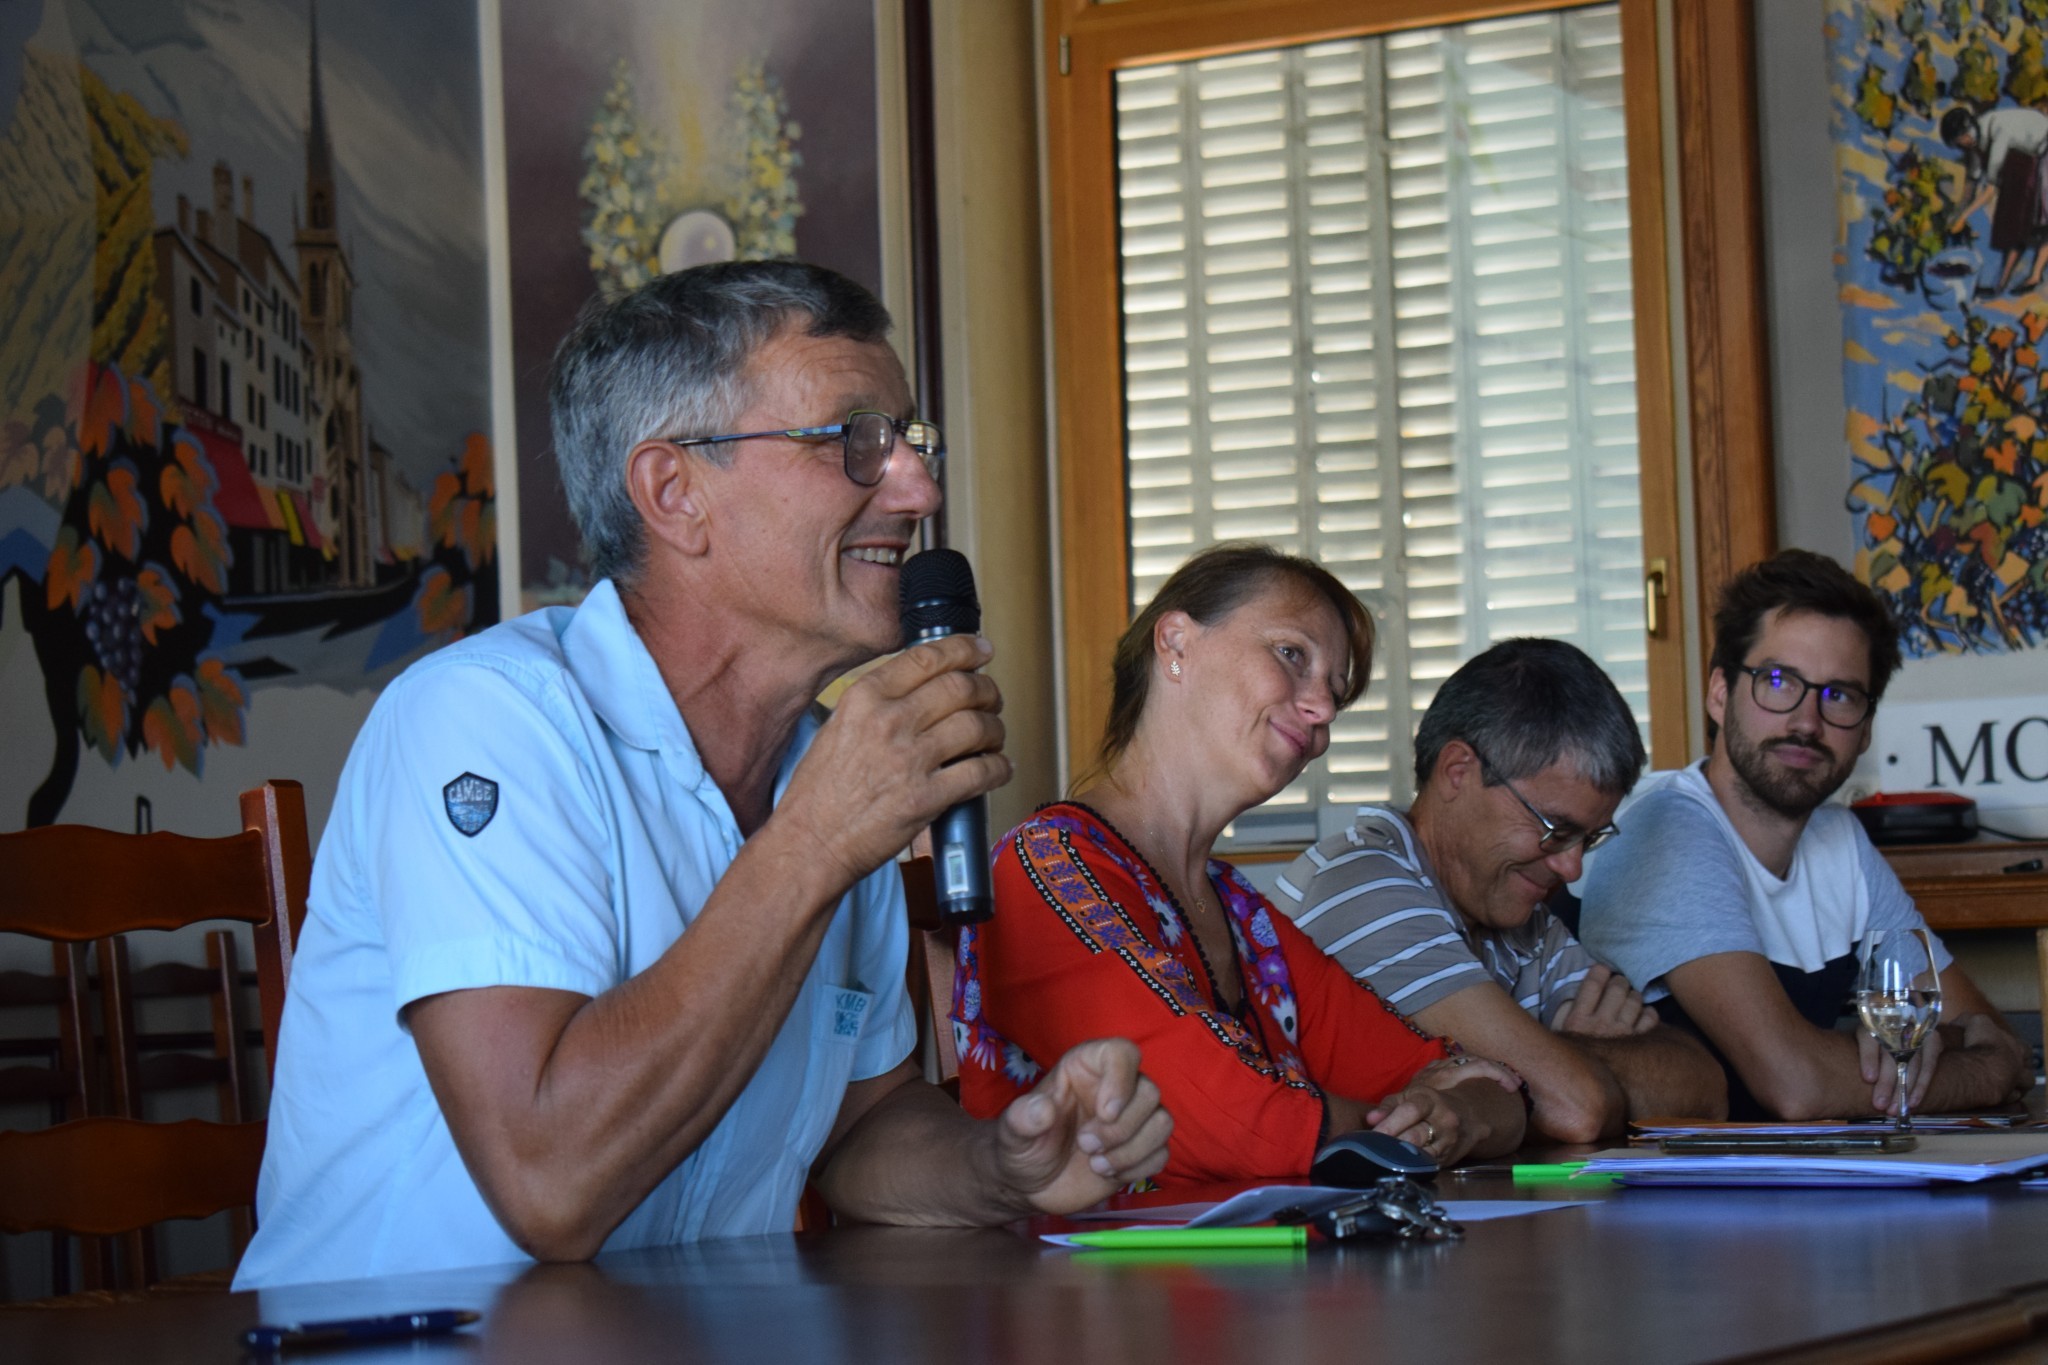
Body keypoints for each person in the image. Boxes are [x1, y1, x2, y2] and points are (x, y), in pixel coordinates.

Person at [235, 262, 1172, 1289]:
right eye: (853, 440)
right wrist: (814, 843)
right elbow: (552, 1185)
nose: (916, 489)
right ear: (673, 493)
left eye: (909, 441)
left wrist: (1005, 1164)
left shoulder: (828, 766)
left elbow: (861, 1129)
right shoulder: (482, 721)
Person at [953, 544, 1526, 1183]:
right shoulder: (1044, 869)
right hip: (1089, 1278)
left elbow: (1490, 1089)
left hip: (1253, 1273)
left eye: (1335, 693)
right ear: (1175, 643)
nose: (1324, 711)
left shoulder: (1235, 909)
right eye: (1291, 654)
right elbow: (1242, 1127)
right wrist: (1419, 1122)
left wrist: (1454, 1114)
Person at [1577, 550, 2029, 1121]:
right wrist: (1979, 1069)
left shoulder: (1838, 839)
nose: (1807, 722)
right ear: (1719, 694)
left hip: (1781, 1185)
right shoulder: (1669, 832)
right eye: (1777, 681)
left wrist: (1974, 1053)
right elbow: (1797, 1086)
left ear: (1865, 730)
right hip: (1641, 1196)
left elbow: (1993, 1034)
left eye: (1839, 695)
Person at [1272, 640, 1726, 1142]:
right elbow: (1578, 1106)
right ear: (1458, 772)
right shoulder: (1360, 887)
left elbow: (1704, 1090)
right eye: (1556, 829)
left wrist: (1550, 1056)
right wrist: (1558, 1058)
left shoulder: (1522, 917)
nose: (1571, 868)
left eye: (1588, 839)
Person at [1942, 104, 2048, 297]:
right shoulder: (1974, 143)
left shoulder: (1999, 131)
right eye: (1960, 141)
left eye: (1965, 136)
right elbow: (1971, 185)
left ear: (1971, 126)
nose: (1965, 141)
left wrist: (1963, 217)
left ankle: (2035, 275)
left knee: (2043, 216)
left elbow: (1990, 189)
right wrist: (1957, 215)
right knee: (2013, 223)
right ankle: (2000, 285)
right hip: (2026, 157)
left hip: (2044, 147)